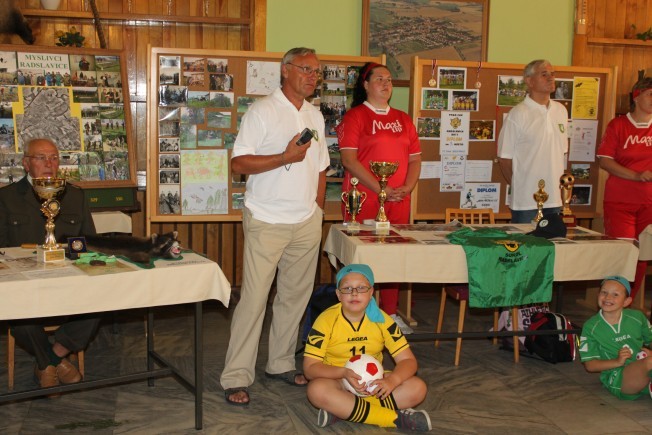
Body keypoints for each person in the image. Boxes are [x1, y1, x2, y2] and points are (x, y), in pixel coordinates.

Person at [220, 47, 329, 406]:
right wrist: (284, 156)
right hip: (266, 219)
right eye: (306, 69)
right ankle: (236, 376)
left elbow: (322, 166)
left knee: (294, 297)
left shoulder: (315, 114)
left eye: (316, 71)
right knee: (253, 300)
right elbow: (238, 164)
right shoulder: (262, 111)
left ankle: (280, 362)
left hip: (305, 221)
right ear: (285, 70)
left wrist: (317, 210)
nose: (313, 76)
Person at [0, 138, 98, 390]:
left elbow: (88, 242)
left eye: (54, 158)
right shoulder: (7, 198)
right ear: (26, 163)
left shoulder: (74, 196)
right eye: (41, 158)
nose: (49, 163)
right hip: (25, 284)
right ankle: (56, 363)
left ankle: (50, 359)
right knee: (15, 310)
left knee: (103, 298)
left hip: (68, 280)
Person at [336, 62, 421, 333]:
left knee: (395, 256)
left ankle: (390, 314)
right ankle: (359, 315)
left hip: (398, 199)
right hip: (365, 198)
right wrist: (380, 189)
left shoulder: (403, 119)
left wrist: (407, 187)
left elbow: (415, 159)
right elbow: (349, 160)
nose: (386, 84)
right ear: (365, 84)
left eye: (389, 79)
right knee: (363, 259)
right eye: (379, 79)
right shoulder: (355, 117)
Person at [303, 264, 430, 431]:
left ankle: (344, 409)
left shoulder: (383, 321)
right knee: (317, 390)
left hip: (374, 383)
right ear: (338, 294)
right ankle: (393, 419)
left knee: (417, 388)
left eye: (361, 288)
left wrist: (392, 380)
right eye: (347, 288)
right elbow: (310, 369)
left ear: (371, 293)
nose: (354, 293)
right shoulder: (325, 321)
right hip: (337, 380)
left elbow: (408, 361)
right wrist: (343, 373)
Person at [596, 77, 652, 301]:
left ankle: (627, 303)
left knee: (642, 255)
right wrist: (636, 175)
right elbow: (605, 160)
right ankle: (611, 302)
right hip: (620, 201)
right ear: (636, 96)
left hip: (649, 203)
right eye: (650, 94)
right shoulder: (618, 125)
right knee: (622, 254)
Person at [497, 59, 568, 223]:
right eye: (544, 74)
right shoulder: (518, 114)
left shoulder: (561, 111)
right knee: (525, 240)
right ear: (529, 81)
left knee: (552, 240)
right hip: (526, 203)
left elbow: (562, 152)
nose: (551, 78)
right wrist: (521, 186)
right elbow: (504, 159)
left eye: (552, 74)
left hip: (554, 199)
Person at [579, 276, 652, 400]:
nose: (608, 297)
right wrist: (617, 361)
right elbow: (590, 365)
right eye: (604, 292)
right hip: (618, 377)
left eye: (615, 294)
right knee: (649, 362)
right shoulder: (591, 327)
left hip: (641, 367)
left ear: (626, 301)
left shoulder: (637, 317)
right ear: (598, 295)